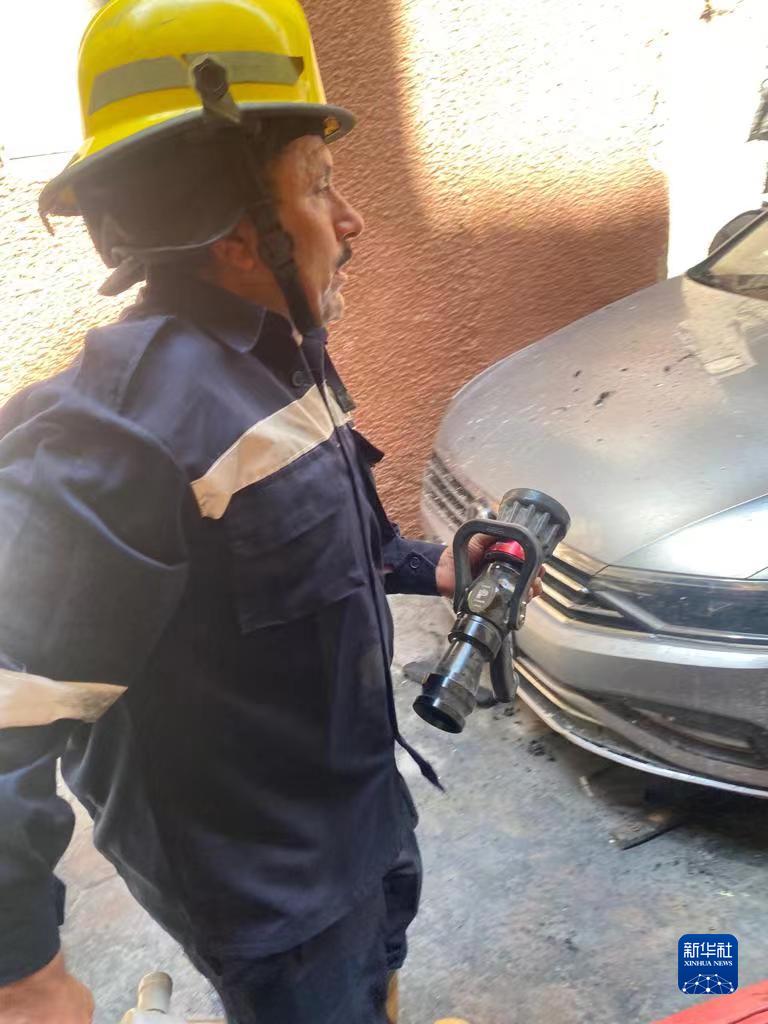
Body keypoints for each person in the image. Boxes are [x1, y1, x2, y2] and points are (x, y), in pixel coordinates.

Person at [0, 2, 534, 1022]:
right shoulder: (117, 435)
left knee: (378, 976)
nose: (351, 220)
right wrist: (23, 971)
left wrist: (434, 568)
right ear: (239, 229)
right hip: (266, 889)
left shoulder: (285, 358)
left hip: (362, 804)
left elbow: (333, 548)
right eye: (320, 184)